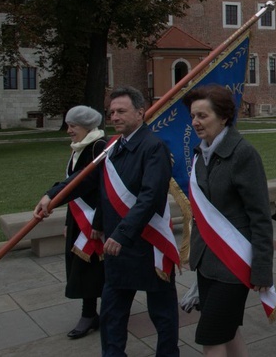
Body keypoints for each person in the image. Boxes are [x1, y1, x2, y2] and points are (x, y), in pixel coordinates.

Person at [35, 86, 180, 356]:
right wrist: (52, 196)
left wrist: (121, 234)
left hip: (147, 245)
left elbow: (150, 198)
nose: (114, 116)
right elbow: (87, 181)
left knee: (162, 315)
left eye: (121, 111)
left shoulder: (154, 147)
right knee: (113, 315)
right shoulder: (112, 147)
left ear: (140, 112)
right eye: (111, 112)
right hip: (116, 247)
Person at [184, 85, 275, 355]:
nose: (195, 123)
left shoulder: (243, 154)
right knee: (228, 330)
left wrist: (262, 270)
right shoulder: (202, 152)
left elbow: (260, 216)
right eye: (193, 116)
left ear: (223, 117)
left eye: (202, 116)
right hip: (206, 262)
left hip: (233, 264)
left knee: (210, 336)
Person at [34, 106, 106, 339]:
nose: (69, 131)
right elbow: (72, 186)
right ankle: (91, 312)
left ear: (86, 126)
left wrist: (98, 222)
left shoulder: (98, 147)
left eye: (73, 126)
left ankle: (95, 314)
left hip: (96, 220)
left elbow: (93, 184)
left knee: (95, 268)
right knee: (81, 267)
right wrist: (68, 221)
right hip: (78, 219)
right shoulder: (78, 148)